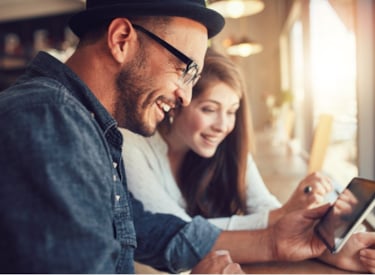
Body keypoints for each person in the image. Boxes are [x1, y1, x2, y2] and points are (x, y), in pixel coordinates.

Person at [0, 0, 371, 273]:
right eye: (184, 69)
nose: (186, 97)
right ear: (122, 39)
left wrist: (276, 241)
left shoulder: (90, 127)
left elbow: (154, 232)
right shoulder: (50, 121)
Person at [121, 48, 375, 272]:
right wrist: (282, 216)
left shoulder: (225, 146)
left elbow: (263, 206)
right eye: (209, 109)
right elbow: (179, 234)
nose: (223, 125)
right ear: (180, 102)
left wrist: (327, 250)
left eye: (231, 111)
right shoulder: (133, 146)